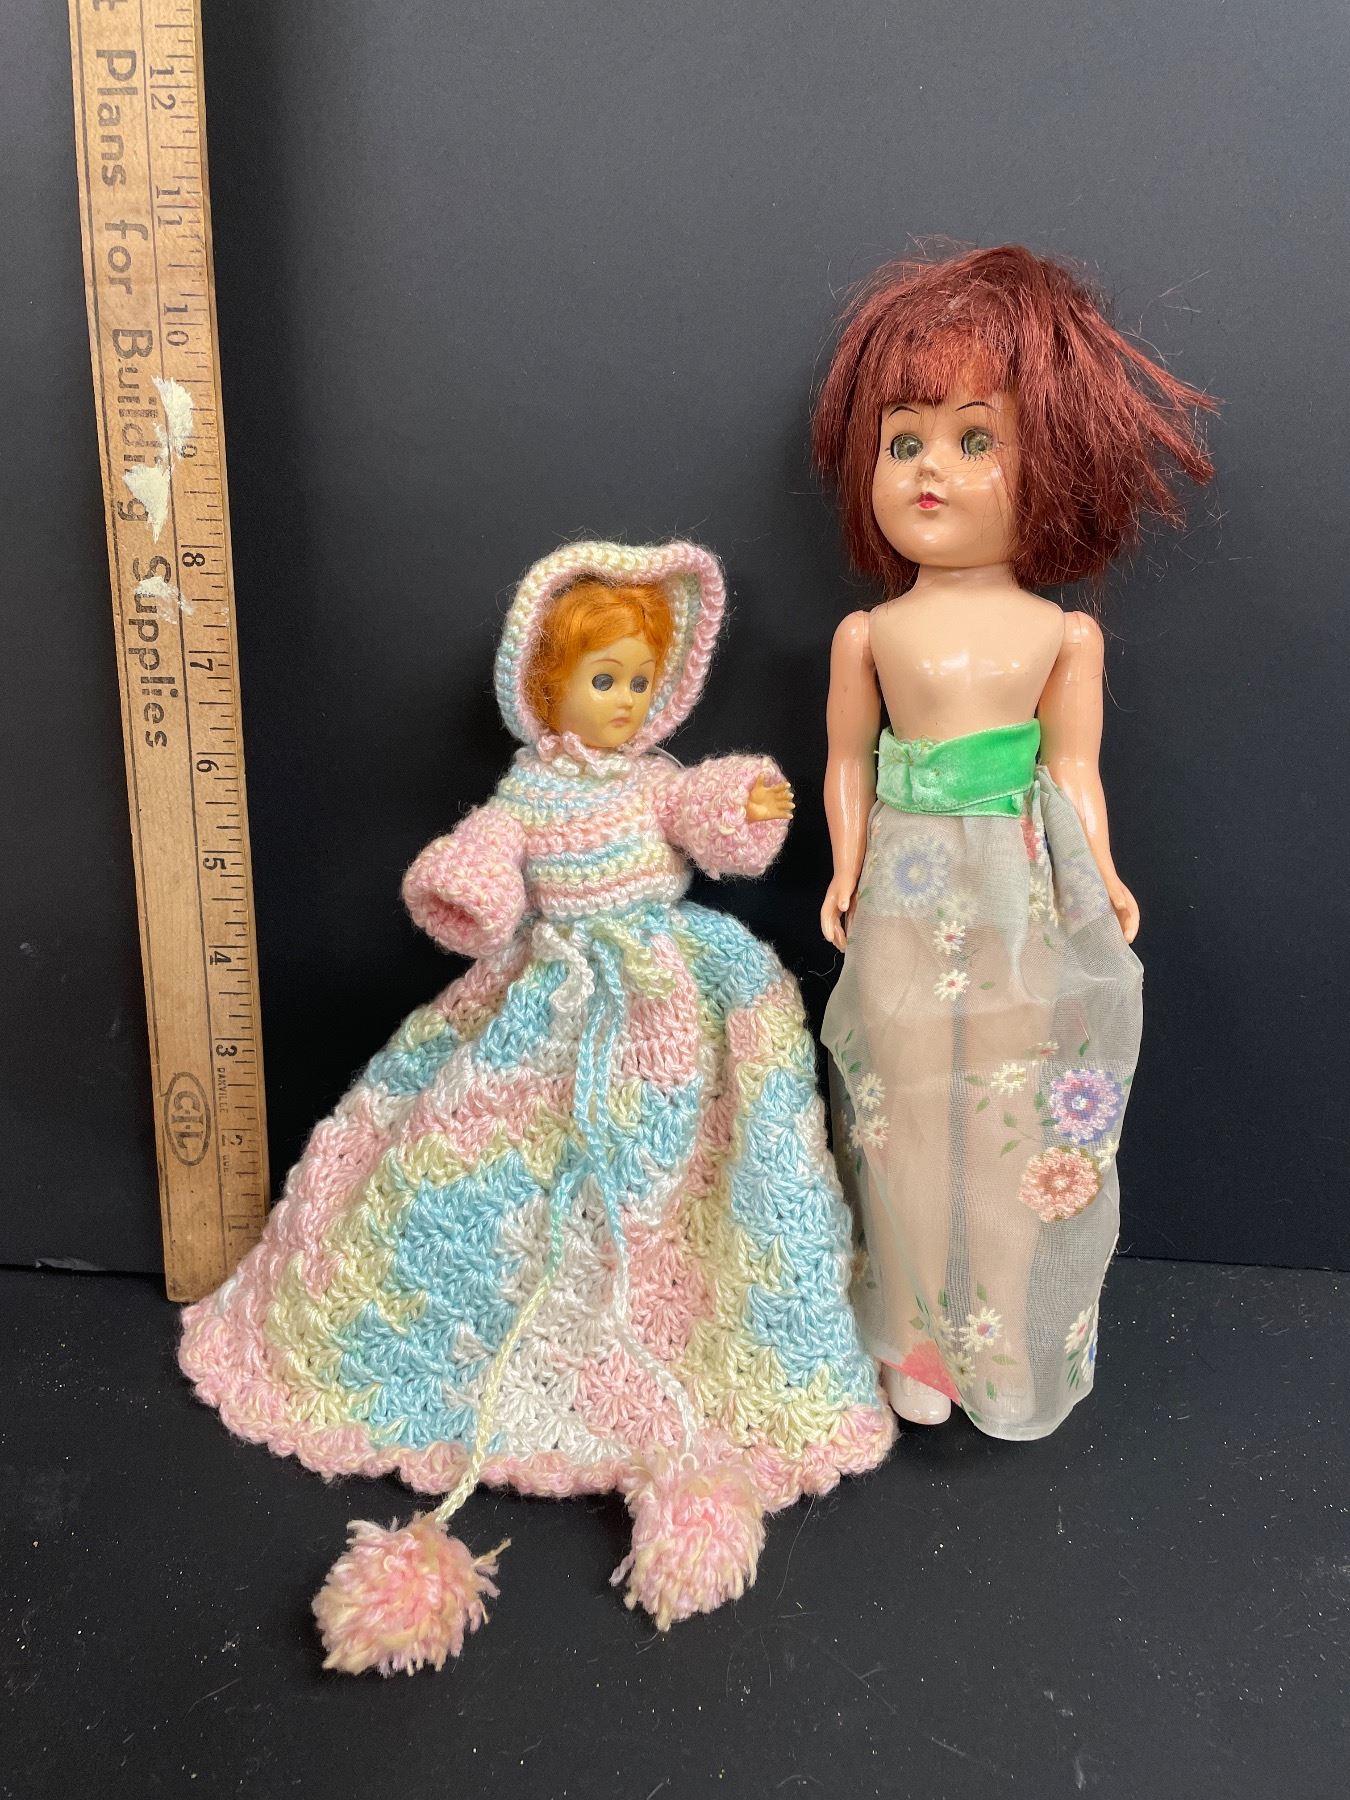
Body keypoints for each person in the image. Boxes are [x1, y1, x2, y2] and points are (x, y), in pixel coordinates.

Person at [179, 538, 892, 1673]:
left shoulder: (653, 781)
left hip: (674, 1005)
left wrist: (744, 799)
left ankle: (688, 1391)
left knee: (700, 1174)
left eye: (641, 682)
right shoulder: (527, 795)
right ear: (544, 686)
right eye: (604, 679)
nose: (626, 702)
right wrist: (466, 887)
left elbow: (712, 818)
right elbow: (478, 865)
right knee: (469, 1154)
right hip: (549, 1000)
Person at [812, 245, 1216, 1439]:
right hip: (903, 886)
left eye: (975, 438)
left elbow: (1073, 771)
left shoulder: (1060, 637)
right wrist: (844, 862)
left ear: (1057, 461)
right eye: (904, 441)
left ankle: (991, 1330)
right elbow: (847, 762)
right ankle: (915, 1339)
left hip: (1014, 885)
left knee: (1008, 1116)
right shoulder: (870, 635)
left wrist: (1104, 871)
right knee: (899, 1115)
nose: (931, 468)